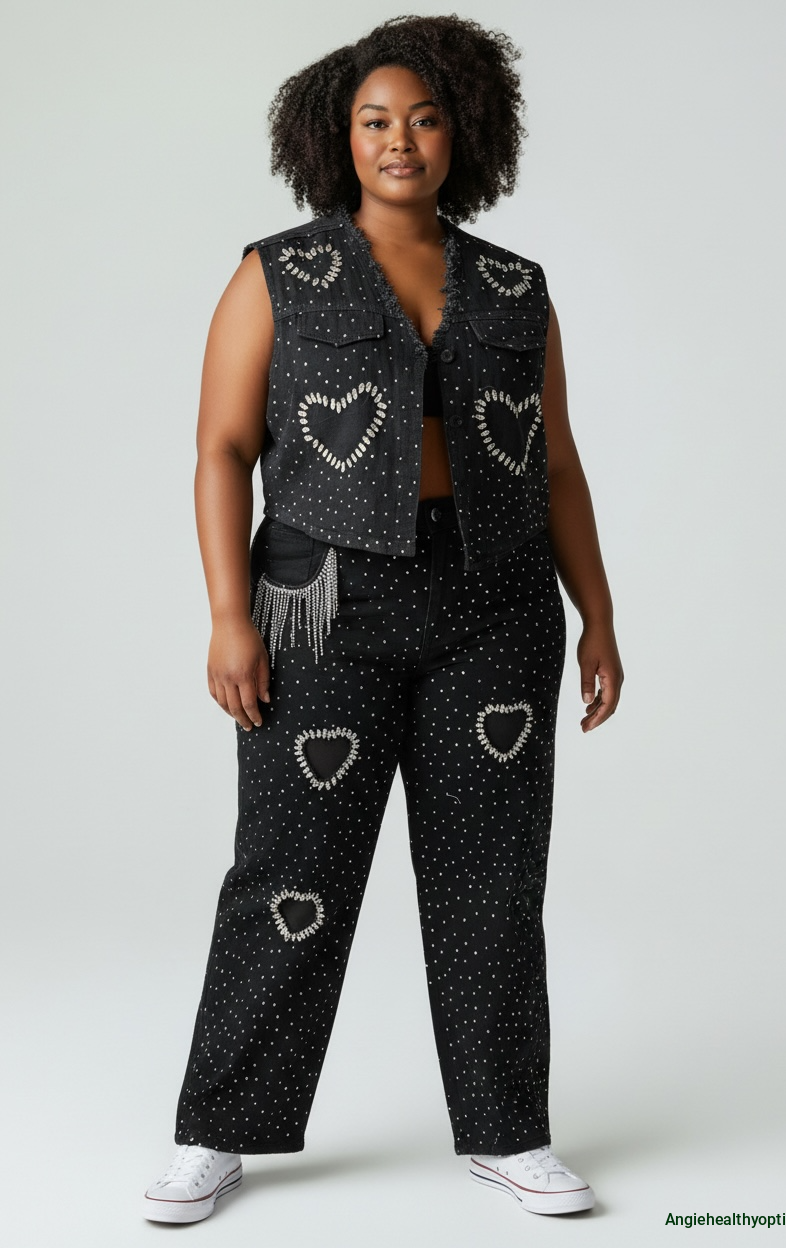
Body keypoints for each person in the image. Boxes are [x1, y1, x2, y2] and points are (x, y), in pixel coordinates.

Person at [142, 13, 623, 1224]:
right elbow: (220, 449)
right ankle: (215, 1131)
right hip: (319, 606)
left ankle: (508, 1132)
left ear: (464, 133)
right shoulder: (276, 272)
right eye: (374, 121)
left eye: (423, 118)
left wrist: (598, 617)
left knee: (493, 882)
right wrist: (227, 615)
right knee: (288, 872)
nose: (399, 140)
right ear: (336, 137)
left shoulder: (514, 287)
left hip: (495, 607)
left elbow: (558, 466)